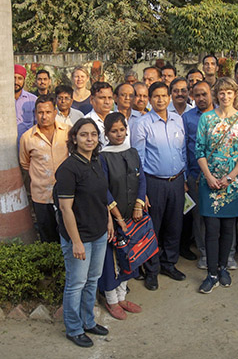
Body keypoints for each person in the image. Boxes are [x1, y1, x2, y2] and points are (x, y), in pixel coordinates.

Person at [54, 118, 113, 348]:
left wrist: (108, 220)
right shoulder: (68, 169)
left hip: (98, 233)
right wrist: (76, 242)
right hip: (79, 237)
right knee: (76, 283)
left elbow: (102, 195)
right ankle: (74, 328)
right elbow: (65, 209)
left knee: (92, 281)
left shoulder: (96, 161)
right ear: (74, 139)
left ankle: (88, 321)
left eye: (93, 135)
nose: (89, 139)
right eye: (84, 135)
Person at [195, 77, 238, 293]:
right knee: (211, 229)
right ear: (216, 95)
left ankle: (223, 268)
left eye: (229, 92)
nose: (225, 96)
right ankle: (211, 273)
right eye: (221, 92)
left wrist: (229, 177)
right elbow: (199, 150)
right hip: (209, 181)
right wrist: (209, 176)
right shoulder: (206, 119)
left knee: (229, 228)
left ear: (235, 94)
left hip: (233, 183)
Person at [131, 81, 188, 290]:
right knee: (152, 228)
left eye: (165, 96)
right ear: (150, 99)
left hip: (177, 181)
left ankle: (169, 264)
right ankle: (151, 270)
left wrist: (185, 178)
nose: (161, 100)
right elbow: (138, 158)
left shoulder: (177, 120)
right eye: (156, 96)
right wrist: (141, 190)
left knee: (174, 225)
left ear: (170, 97)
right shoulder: (143, 123)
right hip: (154, 183)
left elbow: (182, 151)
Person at [98, 112, 146, 320]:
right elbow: (104, 189)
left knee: (129, 256)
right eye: (114, 131)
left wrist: (139, 205)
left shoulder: (132, 151)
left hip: (132, 216)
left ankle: (122, 296)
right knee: (111, 259)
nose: (119, 134)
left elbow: (141, 179)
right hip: (112, 218)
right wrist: (116, 215)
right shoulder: (103, 156)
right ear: (106, 133)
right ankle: (111, 300)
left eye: (122, 129)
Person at [20, 94, 70, 242]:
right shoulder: (27, 138)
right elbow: (25, 163)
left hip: (65, 195)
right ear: (35, 114)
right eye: (40, 112)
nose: (44, 116)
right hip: (41, 196)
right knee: (47, 236)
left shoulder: (68, 132)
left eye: (48, 112)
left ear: (55, 112)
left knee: (68, 234)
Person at [182, 80, 213, 269]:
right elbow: (184, 148)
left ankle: (227, 253)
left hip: (221, 175)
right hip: (196, 175)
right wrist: (186, 176)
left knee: (222, 215)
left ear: (212, 94)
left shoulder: (222, 114)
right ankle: (204, 253)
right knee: (199, 217)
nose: (201, 98)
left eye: (204, 94)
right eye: (197, 95)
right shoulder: (187, 118)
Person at [84, 81, 114, 145]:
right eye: (102, 98)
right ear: (92, 100)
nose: (107, 102)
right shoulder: (85, 122)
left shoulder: (119, 119)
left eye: (110, 98)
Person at [15, 64, 38, 141]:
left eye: (20, 78)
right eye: (14, 78)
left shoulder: (33, 100)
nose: (16, 82)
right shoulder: (2, 100)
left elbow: (38, 124)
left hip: (27, 143)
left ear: (24, 80)